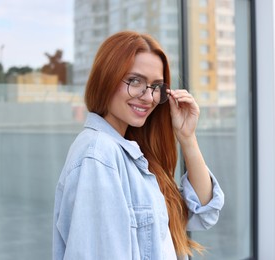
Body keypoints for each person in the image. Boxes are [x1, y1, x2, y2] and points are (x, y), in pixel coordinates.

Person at [53, 31, 224, 260]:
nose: (149, 97)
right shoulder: (99, 156)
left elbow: (203, 210)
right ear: (106, 78)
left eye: (156, 86)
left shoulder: (131, 153)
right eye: (135, 81)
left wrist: (187, 137)